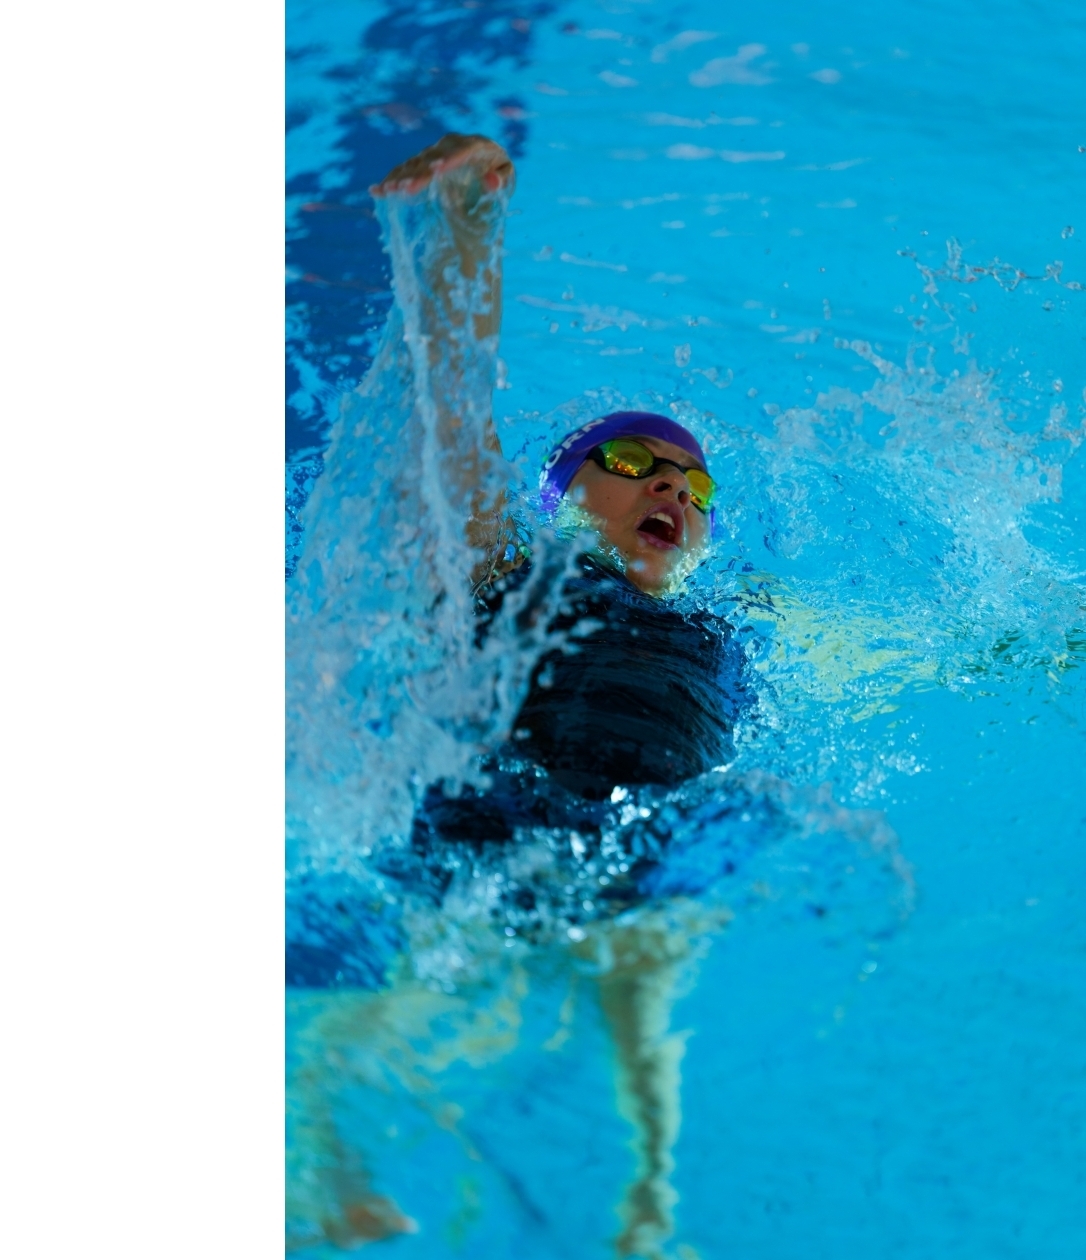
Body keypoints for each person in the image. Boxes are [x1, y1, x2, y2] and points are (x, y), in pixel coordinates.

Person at [287, 133, 745, 1259]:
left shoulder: (730, 625)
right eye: (631, 463)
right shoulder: (513, 566)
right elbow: (455, 412)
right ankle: (310, 1126)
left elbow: (940, 641)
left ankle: (649, 1209)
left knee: (651, 1005)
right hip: (510, 816)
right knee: (451, 990)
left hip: (652, 830)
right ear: (561, 497)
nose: (670, 485)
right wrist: (471, 231)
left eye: (690, 483)